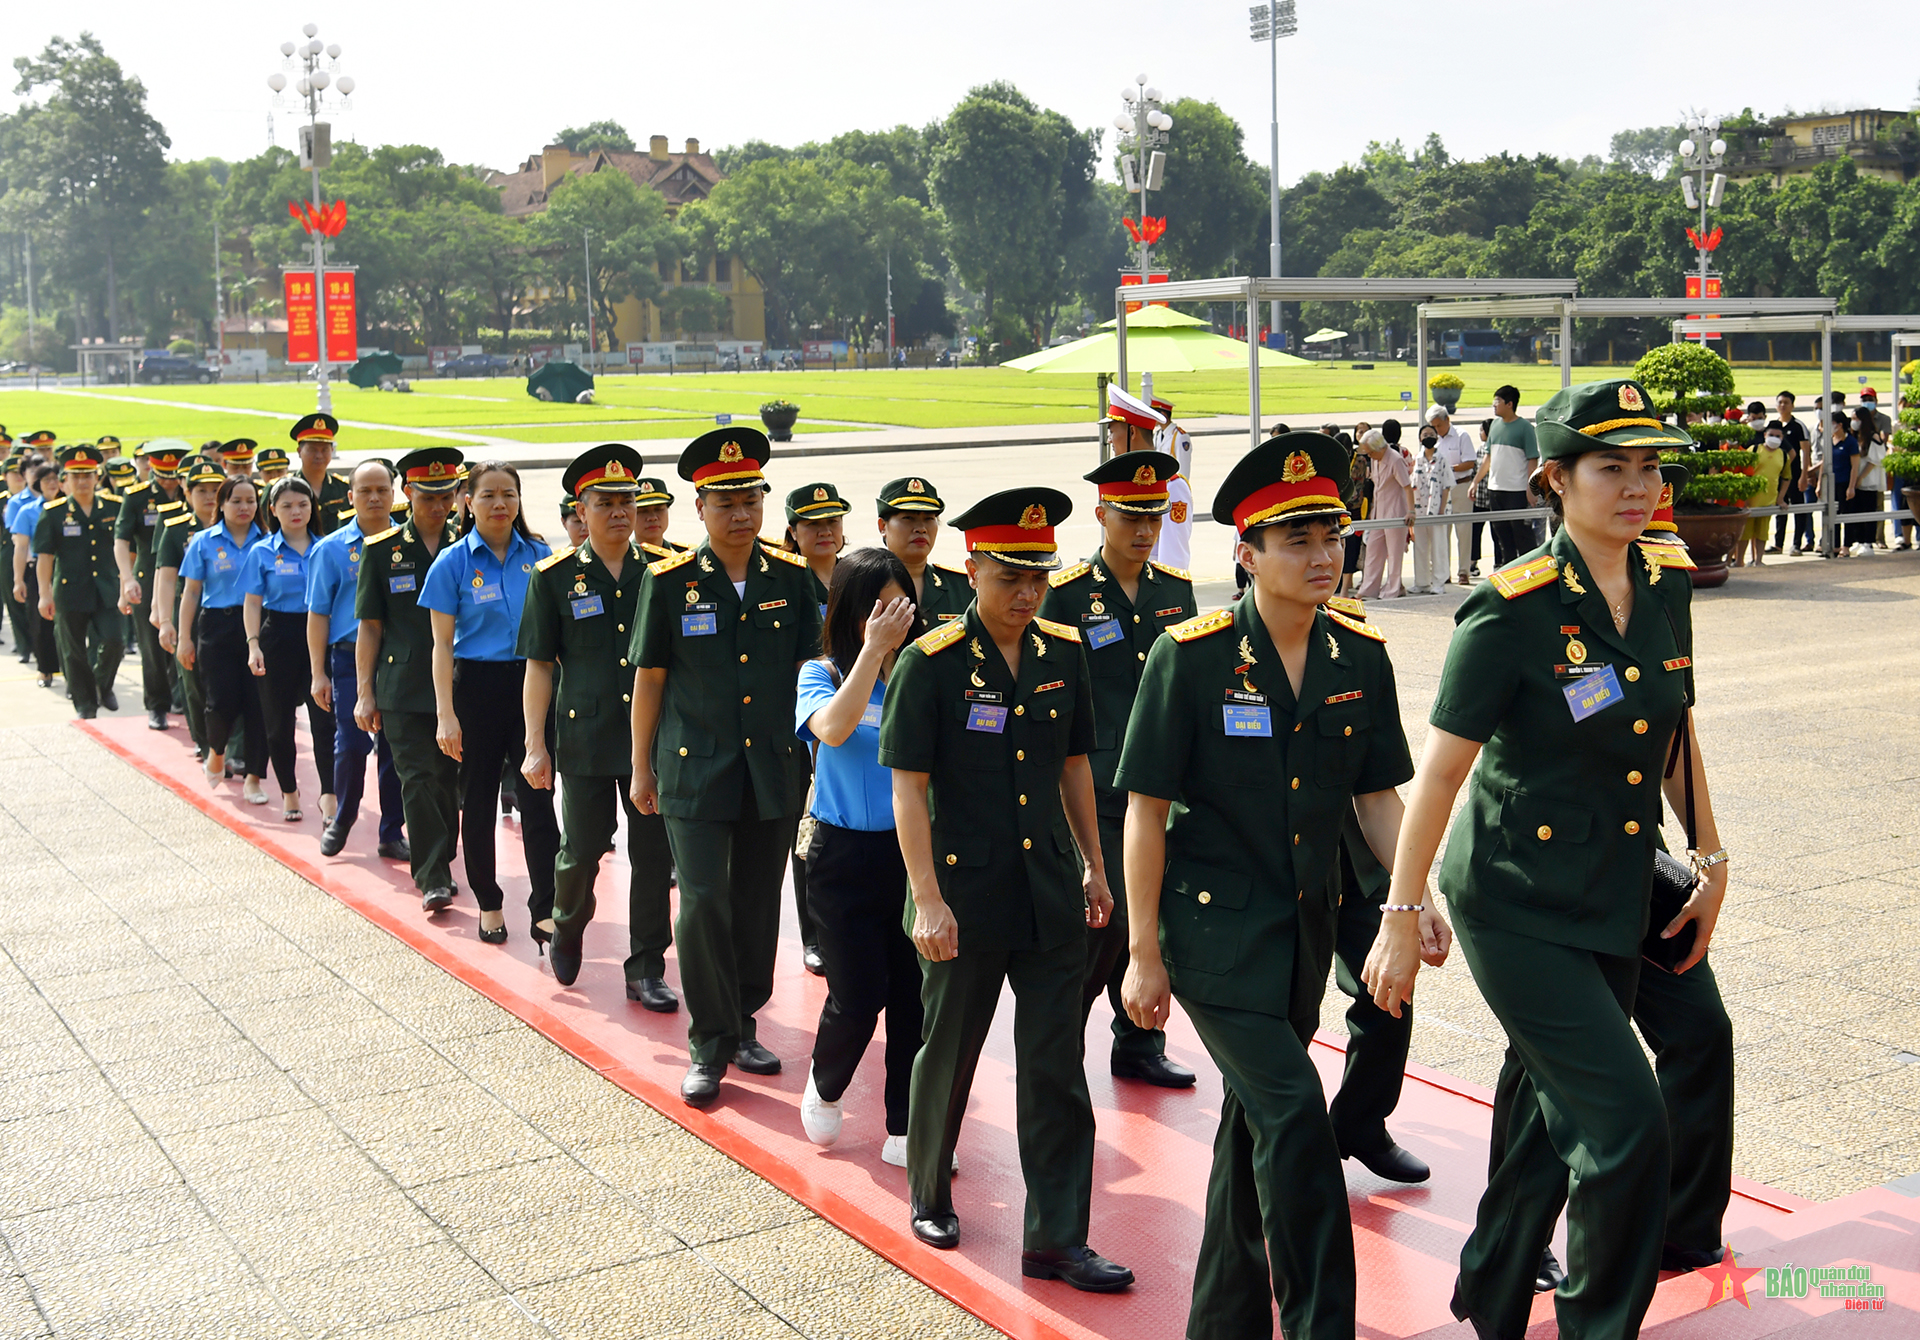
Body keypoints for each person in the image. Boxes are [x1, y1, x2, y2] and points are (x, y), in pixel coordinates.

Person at [1366, 378, 1726, 1339]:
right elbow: (1440, 777)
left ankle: (1490, 1292)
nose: (1638, 487)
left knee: (1544, 1116)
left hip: (1615, 885)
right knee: (1622, 1126)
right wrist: (1400, 921)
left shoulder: (1665, 579)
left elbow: (1672, 727)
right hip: (1517, 902)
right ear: (1556, 480)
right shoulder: (1511, 609)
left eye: (1650, 467)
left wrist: (1713, 854)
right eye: (1612, 468)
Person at [1114, 430, 1421, 1337]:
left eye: (1331, 535)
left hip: (1303, 940)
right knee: (1295, 1122)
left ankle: (1223, 1323)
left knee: (1250, 1129)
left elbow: (1378, 798)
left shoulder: (1357, 657)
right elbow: (1144, 811)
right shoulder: (1193, 656)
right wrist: (1141, 955)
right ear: (1245, 554)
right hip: (1213, 944)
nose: (1323, 555)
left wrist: (1414, 899)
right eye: (1297, 539)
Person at [879, 485, 1133, 1295]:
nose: (1027, 594)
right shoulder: (932, 661)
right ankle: (928, 1189)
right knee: (948, 1046)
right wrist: (925, 897)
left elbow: (1075, 768)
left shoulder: (1063, 653)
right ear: (973, 567)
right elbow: (908, 790)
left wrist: (1096, 865)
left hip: (1050, 889)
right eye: (1010, 577)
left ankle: (1057, 1238)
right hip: (964, 891)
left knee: (1056, 1066)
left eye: (1039, 578)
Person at [628, 428, 822, 1108]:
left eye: (751, 499)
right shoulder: (671, 581)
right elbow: (650, 679)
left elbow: (811, 674)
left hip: (771, 770)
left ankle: (744, 1022)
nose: (741, 513)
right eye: (726, 501)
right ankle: (708, 1045)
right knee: (703, 901)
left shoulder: (791, 581)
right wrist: (640, 768)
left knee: (756, 905)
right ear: (699, 507)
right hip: (691, 770)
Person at [1039, 450, 1197, 1090]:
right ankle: (1057, 1051)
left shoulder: (1174, 590)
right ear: (1102, 514)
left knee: (1152, 918)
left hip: (1159, 787)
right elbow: (1048, 687)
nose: (1143, 529)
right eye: (1130, 516)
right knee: (1097, 928)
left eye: (1153, 516)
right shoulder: (1068, 592)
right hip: (1097, 787)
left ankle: (1139, 1041)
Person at [522, 445, 676, 1004]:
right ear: (580, 511)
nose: (618, 512)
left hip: (653, 738)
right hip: (584, 734)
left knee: (654, 854)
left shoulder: (663, 570)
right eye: (604, 502)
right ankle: (566, 922)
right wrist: (535, 745)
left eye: (626, 501)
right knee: (582, 847)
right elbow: (539, 665)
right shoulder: (555, 577)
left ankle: (646, 967)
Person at [795, 546, 925, 1162]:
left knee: (912, 992)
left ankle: (905, 1125)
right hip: (841, 853)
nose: (890, 618)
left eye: (898, 605)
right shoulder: (819, 673)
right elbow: (835, 729)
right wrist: (872, 654)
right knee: (859, 990)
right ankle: (825, 1085)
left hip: (912, 851)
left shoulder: (925, 669)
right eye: (874, 609)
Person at [423, 460, 559, 943]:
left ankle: (546, 906)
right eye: (488, 495)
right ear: (468, 501)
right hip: (475, 688)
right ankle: (488, 902)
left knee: (539, 799)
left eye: (509, 494)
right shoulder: (452, 562)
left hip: (532, 684)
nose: (499, 504)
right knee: (477, 800)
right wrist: (445, 714)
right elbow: (440, 645)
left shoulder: (541, 555)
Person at [356, 447, 464, 912]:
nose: (438, 507)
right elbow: (370, 627)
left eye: (447, 495)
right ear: (408, 493)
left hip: (460, 685)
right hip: (402, 687)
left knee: (447, 781)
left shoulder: (470, 545)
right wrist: (365, 692)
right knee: (417, 780)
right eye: (427, 496)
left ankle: (443, 854)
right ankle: (433, 875)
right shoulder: (383, 552)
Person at [305, 459, 408, 861]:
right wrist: (318, 673)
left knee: (394, 747)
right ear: (350, 497)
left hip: (399, 659)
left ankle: (390, 830)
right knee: (350, 743)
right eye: (364, 491)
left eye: (382, 490)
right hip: (349, 659)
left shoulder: (406, 543)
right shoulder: (330, 550)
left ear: (394, 494)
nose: (374, 498)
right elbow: (317, 614)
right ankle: (343, 817)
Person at [784, 481, 852, 977]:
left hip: (857, 719)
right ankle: (815, 937)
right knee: (808, 831)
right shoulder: (788, 584)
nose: (825, 531)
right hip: (804, 724)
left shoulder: (858, 578)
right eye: (812, 524)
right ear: (793, 533)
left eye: (832, 521)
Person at [240, 476, 335, 822]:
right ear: (273, 511)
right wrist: (253, 645)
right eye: (287, 506)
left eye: (303, 504)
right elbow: (252, 603)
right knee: (278, 724)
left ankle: (329, 795)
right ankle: (289, 792)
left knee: (325, 721)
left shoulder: (328, 547)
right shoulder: (262, 551)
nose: (296, 512)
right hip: (278, 635)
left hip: (320, 637)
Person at [175, 476, 268, 799]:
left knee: (258, 705)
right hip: (217, 626)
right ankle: (216, 751)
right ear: (222, 504)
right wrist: (184, 638)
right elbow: (191, 593)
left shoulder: (268, 541)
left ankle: (253, 778)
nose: (244, 507)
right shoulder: (204, 541)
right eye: (236, 501)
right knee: (220, 702)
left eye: (251, 501)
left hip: (258, 627)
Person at [34, 445, 125, 719]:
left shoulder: (113, 507)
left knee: (114, 642)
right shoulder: (54, 513)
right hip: (70, 591)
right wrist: (44, 594)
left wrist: (126, 579)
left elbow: (126, 546)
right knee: (73, 652)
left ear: (97, 477)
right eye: (76, 476)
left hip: (107, 589)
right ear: (66, 480)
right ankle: (85, 704)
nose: (83, 481)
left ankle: (102, 685)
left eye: (88, 475)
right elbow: (45, 557)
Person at [115, 441, 190, 730]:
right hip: (148, 578)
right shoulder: (137, 497)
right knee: (152, 648)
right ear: (152, 470)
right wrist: (127, 578)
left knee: (184, 639)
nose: (170, 482)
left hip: (186, 577)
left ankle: (181, 697)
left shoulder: (192, 492)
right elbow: (121, 541)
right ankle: (156, 705)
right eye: (163, 476)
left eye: (174, 476)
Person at [154, 458, 224, 755]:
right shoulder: (177, 529)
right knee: (193, 681)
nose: (209, 497)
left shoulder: (241, 526)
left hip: (229, 613)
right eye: (201, 491)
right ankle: (204, 742)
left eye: (215, 490)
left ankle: (233, 745)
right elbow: (167, 577)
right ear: (187, 494)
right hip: (191, 614)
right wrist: (165, 620)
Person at [876, 476, 968, 632]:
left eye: (929, 518)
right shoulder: (865, 583)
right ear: (882, 526)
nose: (921, 528)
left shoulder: (961, 586)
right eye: (908, 518)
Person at [11, 463, 62, 688]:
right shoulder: (28, 510)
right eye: (46, 480)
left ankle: (73, 674)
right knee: (40, 623)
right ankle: (45, 669)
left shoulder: (69, 508)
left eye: (55, 479)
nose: (52, 483)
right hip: (37, 569)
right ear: (37, 484)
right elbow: (21, 547)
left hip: (67, 569)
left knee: (70, 623)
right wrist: (18, 579)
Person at [1482, 386, 1538, 570]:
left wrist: (1531, 489)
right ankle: (1508, 571)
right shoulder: (1495, 426)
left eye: (1497, 401)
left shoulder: (1525, 428)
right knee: (1501, 534)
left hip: (1516, 491)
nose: (1494, 405)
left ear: (1510, 404)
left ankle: (1531, 572)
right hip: (1495, 490)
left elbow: (1532, 460)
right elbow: (1488, 457)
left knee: (1522, 534)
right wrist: (1475, 482)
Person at [1356, 422, 1410, 599]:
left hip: (1395, 512)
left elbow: (1407, 487)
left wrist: (1412, 512)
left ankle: (1393, 589)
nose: (1369, 455)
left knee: (1394, 554)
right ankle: (1368, 589)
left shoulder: (1395, 459)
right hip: (1378, 513)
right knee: (1373, 550)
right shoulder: (1375, 458)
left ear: (1379, 447)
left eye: (1370, 452)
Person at [1149, 395, 1195, 573]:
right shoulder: (1159, 435)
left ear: (1163, 415)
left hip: (1174, 492)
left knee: (1172, 541)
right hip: (1161, 491)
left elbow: (1183, 469)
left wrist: (1178, 493)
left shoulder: (1180, 437)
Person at [288, 413, 350, 536]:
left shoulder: (344, 488)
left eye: (324, 450)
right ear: (299, 451)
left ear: (332, 451)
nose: (319, 455)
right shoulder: (284, 489)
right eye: (312, 450)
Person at [1767, 392, 1813, 555]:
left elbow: (1806, 452)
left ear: (1792, 405)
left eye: (1786, 402)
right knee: (1780, 507)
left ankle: (1797, 544)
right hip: (1778, 476)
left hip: (1794, 474)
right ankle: (1778, 544)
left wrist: (1804, 475)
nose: (1783, 405)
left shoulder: (1798, 426)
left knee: (1798, 508)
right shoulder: (1773, 426)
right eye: (1780, 402)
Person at [1737, 419, 1786, 568]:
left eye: (1778, 436)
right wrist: (1743, 497)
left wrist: (1781, 498)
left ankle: (1758, 560)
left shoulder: (1783, 455)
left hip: (1768, 499)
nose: (1774, 438)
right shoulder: (1754, 449)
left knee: (1762, 533)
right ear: (1765, 435)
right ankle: (1739, 561)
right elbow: (1744, 475)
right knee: (1745, 533)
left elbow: (1786, 477)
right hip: (1750, 500)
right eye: (1771, 435)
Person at [1409, 430, 1450, 595]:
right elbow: (1413, 486)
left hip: (1436, 511)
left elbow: (1447, 485)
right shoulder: (1417, 460)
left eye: (1430, 434)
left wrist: (1441, 510)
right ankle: (1422, 582)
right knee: (1420, 547)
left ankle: (1439, 582)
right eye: (1424, 435)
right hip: (1420, 511)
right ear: (1419, 438)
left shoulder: (1442, 459)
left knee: (1438, 547)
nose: (1428, 437)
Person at [1822, 411, 1863, 556]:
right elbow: (1824, 462)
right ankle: (1834, 544)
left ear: (1839, 425)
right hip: (1831, 483)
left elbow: (1854, 466)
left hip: (1844, 482)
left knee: (1846, 513)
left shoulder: (1850, 442)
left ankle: (1846, 545)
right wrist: (1820, 483)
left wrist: (1851, 486)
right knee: (1832, 514)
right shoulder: (1829, 440)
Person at [1847, 406, 1886, 556]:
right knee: (1857, 510)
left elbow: (1875, 460)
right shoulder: (1855, 436)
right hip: (1856, 480)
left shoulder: (1873, 436)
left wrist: (1860, 477)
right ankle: (1859, 540)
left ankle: (1868, 542)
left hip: (1868, 480)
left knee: (1868, 510)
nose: (1854, 422)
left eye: (1856, 419)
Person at [631, 476, 686, 556]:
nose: (652, 517)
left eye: (658, 509)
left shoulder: (684, 557)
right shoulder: (620, 560)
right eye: (643, 511)